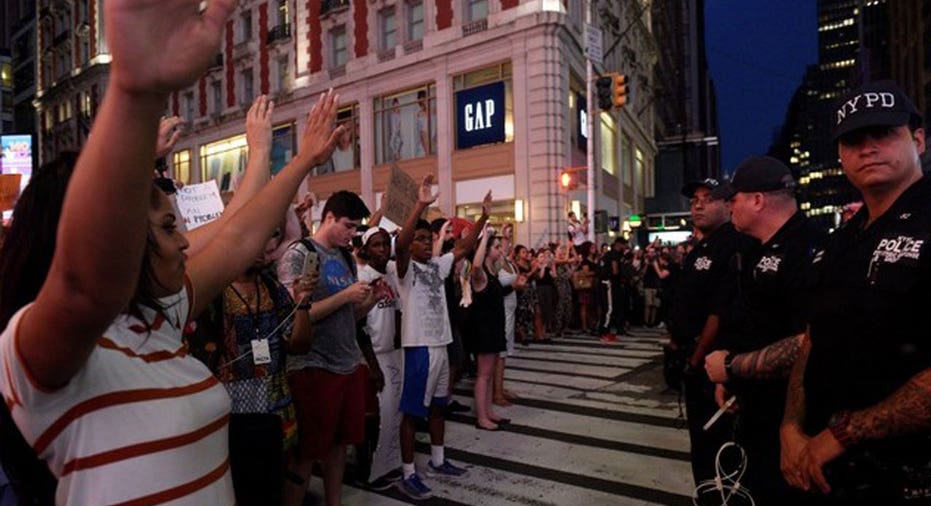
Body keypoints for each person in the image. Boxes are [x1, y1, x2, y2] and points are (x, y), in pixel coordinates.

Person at [0, 1, 345, 503]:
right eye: (166, 226)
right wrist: (137, 93)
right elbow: (86, 286)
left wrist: (299, 160)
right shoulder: (42, 352)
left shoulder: (155, 317)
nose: (185, 239)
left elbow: (238, 236)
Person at [780, 80, 931, 505]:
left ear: (918, 139)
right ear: (841, 155)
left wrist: (845, 433)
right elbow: (813, 340)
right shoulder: (840, 239)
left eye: (884, 133)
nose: (868, 148)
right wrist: (791, 427)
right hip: (824, 474)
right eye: (853, 139)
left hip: (909, 477)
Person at [702, 156, 823, 505]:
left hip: (795, 423)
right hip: (758, 410)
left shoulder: (808, 248)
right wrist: (737, 382)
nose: (729, 206)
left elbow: (809, 342)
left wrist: (732, 366)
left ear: (757, 200)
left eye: (733, 198)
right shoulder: (756, 249)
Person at [277, 190, 383, 506]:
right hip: (313, 365)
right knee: (308, 451)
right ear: (329, 218)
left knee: (339, 444)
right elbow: (295, 316)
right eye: (348, 226)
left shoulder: (345, 257)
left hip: (346, 362)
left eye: (356, 229)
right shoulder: (301, 254)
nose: (353, 235)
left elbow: (347, 315)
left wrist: (368, 303)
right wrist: (345, 296)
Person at [393, 175, 489, 499]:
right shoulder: (403, 269)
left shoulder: (438, 265)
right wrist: (421, 204)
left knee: (438, 407)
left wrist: (485, 217)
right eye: (417, 238)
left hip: (441, 345)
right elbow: (400, 244)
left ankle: (437, 460)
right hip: (419, 348)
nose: (420, 243)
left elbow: (463, 246)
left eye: (425, 238)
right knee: (411, 413)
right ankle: (408, 474)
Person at [667, 178, 751, 495]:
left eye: (708, 198)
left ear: (728, 205)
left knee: (719, 447)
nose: (698, 204)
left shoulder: (734, 245)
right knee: (701, 444)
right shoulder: (700, 247)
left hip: (712, 366)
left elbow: (719, 311)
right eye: (694, 200)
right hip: (692, 359)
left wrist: (694, 358)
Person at [355, 227, 405, 491]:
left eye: (386, 244)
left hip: (390, 354)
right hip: (369, 358)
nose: (383, 249)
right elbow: (358, 327)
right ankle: (367, 470)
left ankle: (386, 463)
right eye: (376, 245)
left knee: (392, 413)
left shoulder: (391, 275)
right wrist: (373, 365)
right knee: (371, 417)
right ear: (365, 249)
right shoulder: (362, 278)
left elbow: (396, 312)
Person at [465, 227, 512, 430]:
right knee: (483, 374)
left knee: (490, 372)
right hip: (483, 330)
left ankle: (488, 411)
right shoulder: (480, 275)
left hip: (494, 328)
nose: (500, 251)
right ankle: (481, 417)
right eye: (496, 247)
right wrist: (484, 237)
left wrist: (505, 238)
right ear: (485, 251)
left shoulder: (493, 272)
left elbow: (506, 256)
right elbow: (475, 264)